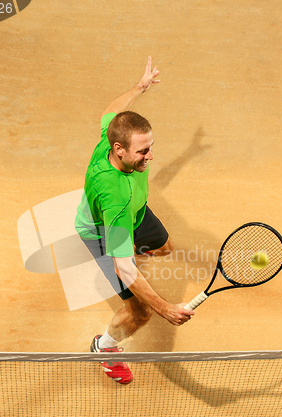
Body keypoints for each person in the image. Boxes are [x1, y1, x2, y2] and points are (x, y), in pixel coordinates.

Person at [75, 57, 194, 384]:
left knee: (165, 247)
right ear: (120, 150)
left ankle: (127, 249)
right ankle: (104, 347)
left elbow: (108, 113)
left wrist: (139, 88)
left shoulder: (113, 136)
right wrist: (164, 308)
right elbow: (124, 269)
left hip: (136, 212)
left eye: (150, 147)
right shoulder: (116, 198)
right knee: (139, 311)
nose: (151, 156)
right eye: (143, 151)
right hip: (101, 230)